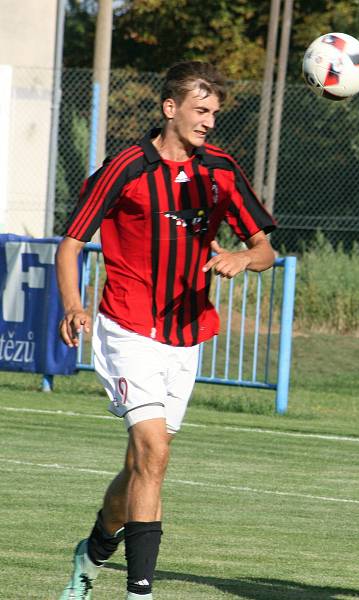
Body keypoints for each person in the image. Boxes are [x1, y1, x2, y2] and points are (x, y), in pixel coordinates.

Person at [56, 61, 277, 600]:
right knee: (153, 451)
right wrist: (73, 305)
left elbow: (267, 249)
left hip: (188, 335)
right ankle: (141, 592)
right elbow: (71, 243)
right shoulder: (127, 166)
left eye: (215, 113)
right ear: (169, 108)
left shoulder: (221, 170)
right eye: (200, 111)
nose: (209, 122)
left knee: (141, 466)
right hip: (128, 326)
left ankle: (93, 551)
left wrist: (245, 259)